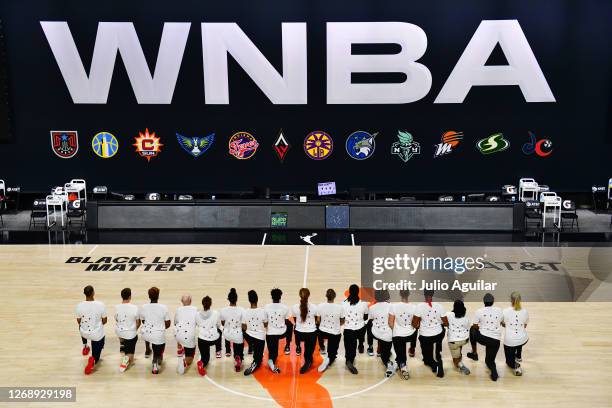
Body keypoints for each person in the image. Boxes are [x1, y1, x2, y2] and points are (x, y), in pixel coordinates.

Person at [467, 293, 503, 381]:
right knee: (489, 361)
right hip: (495, 341)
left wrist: (482, 327)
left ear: (484, 302)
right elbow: (502, 322)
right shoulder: (499, 310)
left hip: (483, 338)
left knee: (472, 329)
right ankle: (494, 372)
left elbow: (475, 325)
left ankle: (474, 353)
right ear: (493, 301)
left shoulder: (479, 311)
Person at [413, 289, 447, 378]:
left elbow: (414, 324)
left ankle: (434, 364)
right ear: (433, 294)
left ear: (424, 294)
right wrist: (439, 322)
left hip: (425, 336)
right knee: (441, 332)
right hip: (438, 334)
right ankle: (437, 358)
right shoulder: (440, 306)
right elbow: (446, 323)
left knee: (426, 359)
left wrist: (418, 325)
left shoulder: (419, 306)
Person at [76, 285, 107, 375]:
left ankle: (85, 346)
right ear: (93, 293)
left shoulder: (79, 306)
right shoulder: (100, 305)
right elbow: (104, 321)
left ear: (84, 294)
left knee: (81, 325)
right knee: (97, 351)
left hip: (84, 333)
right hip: (96, 335)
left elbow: (78, 321)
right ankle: (93, 359)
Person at [139, 287, 171, 374]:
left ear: (149, 296)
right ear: (158, 296)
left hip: (146, 334)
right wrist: (160, 328)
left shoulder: (143, 307)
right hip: (158, 336)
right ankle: (155, 361)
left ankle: (147, 349)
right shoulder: (163, 307)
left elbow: (143, 321)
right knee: (160, 342)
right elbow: (168, 324)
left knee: (148, 330)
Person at [389, 289, 417, 379]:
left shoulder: (393, 306)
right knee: (413, 332)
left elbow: (390, 323)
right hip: (410, 335)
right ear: (409, 294)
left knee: (400, 348)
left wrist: (396, 330)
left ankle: (403, 366)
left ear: (400, 294)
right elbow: (416, 324)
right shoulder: (414, 307)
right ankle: (403, 358)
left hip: (398, 335)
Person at [342, 284, 369, 374]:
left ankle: (349, 360)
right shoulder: (364, 303)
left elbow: (342, 318)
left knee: (350, 346)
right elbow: (365, 317)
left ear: (349, 292)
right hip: (360, 329)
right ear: (358, 292)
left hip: (348, 330)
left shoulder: (343, 303)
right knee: (364, 326)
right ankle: (361, 344)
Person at [368, 289, 396, 377]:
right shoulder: (392, 306)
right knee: (385, 355)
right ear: (387, 295)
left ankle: (371, 346)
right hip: (388, 335)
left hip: (376, 333)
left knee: (369, 324)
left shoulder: (371, 308)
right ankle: (389, 363)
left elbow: (370, 318)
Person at [316, 289, 345, 372]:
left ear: (326, 296)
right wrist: (336, 325)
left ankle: (322, 347)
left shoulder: (320, 306)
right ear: (335, 297)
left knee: (318, 328)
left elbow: (318, 321)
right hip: (334, 333)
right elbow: (342, 322)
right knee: (332, 351)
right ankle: (331, 357)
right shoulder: (340, 307)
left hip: (322, 332)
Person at [264, 288, 292, 373]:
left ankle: (271, 360)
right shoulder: (285, 307)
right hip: (282, 333)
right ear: (280, 297)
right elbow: (287, 321)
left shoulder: (266, 307)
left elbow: (265, 323)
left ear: (271, 297)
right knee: (290, 325)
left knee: (273, 354)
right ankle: (287, 346)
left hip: (270, 334)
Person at [502, 291, 529, 376]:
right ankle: (519, 356)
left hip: (510, 341)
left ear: (511, 300)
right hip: (523, 339)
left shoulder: (505, 311)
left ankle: (516, 366)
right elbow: (524, 325)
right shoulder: (525, 311)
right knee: (519, 339)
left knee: (508, 362)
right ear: (520, 300)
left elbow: (503, 324)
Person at [242, 290, 268, 375]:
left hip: (249, 337)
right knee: (259, 360)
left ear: (249, 300)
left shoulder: (245, 312)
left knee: (242, 331)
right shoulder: (263, 311)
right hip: (259, 338)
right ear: (257, 300)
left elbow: (244, 327)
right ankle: (255, 363)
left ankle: (251, 346)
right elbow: (265, 324)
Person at [114, 288, 140, 372]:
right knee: (131, 360)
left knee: (122, 332)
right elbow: (138, 322)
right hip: (130, 334)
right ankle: (125, 360)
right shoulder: (135, 308)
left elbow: (117, 320)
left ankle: (122, 343)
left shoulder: (117, 307)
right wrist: (134, 330)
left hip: (119, 332)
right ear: (130, 296)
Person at [292, 288, 317, 374]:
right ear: (309, 296)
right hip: (311, 334)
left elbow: (295, 320)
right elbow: (317, 320)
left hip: (299, 334)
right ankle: (308, 361)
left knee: (296, 329)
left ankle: (298, 346)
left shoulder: (294, 307)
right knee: (308, 351)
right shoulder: (314, 307)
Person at [196, 296, 221, 376]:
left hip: (202, 339)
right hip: (214, 339)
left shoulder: (197, 314)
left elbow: (197, 324)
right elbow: (218, 325)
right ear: (211, 304)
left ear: (202, 304)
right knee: (219, 332)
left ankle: (201, 363)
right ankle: (218, 351)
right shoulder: (216, 313)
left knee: (206, 358)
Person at [220, 288, 245, 372]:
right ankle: (238, 357)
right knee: (239, 342)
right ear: (236, 299)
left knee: (226, 328)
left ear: (228, 299)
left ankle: (228, 350)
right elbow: (244, 325)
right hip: (237, 335)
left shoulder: (223, 310)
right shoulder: (242, 310)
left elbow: (223, 323)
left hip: (227, 335)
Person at [445, 299, 471, 375]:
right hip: (464, 340)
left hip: (453, 341)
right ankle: (459, 355)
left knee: (455, 361)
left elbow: (443, 321)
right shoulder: (466, 319)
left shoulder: (448, 314)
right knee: (459, 347)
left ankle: (461, 365)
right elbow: (467, 328)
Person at [174, 294, 198, 375]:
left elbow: (175, 323)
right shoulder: (195, 309)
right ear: (190, 301)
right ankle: (184, 361)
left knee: (179, 332)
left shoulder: (178, 310)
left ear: (181, 302)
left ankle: (180, 349)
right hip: (189, 337)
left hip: (178, 336)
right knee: (190, 360)